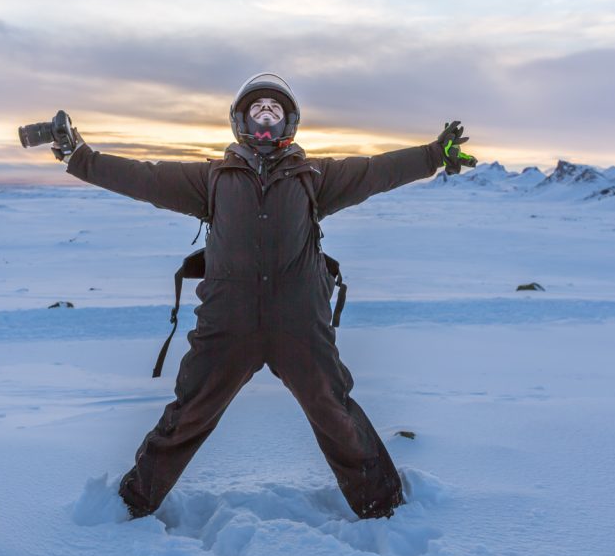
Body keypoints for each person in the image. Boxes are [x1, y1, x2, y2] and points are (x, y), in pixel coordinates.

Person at [53, 73, 475, 521]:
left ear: (290, 122)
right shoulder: (213, 179)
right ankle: (131, 505)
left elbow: (376, 171)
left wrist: (432, 155)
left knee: (335, 412)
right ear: (240, 120)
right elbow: (144, 178)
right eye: (258, 111)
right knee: (189, 414)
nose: (266, 119)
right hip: (226, 329)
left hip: (300, 328)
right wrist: (81, 157)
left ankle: (383, 506)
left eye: (275, 111)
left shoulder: (315, 177)